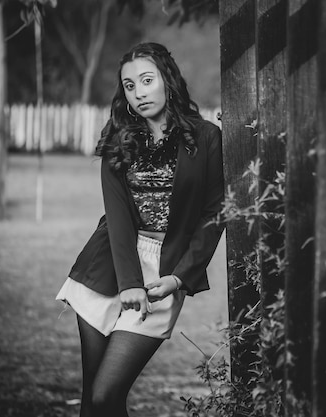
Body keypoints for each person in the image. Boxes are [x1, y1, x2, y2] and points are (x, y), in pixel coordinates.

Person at [56, 42, 225, 417]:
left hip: (164, 272)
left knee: (106, 393)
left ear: (167, 80)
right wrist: (129, 281)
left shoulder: (206, 136)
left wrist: (179, 279)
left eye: (147, 80)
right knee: (95, 401)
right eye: (130, 86)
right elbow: (115, 217)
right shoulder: (119, 138)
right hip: (108, 266)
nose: (139, 91)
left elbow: (214, 214)